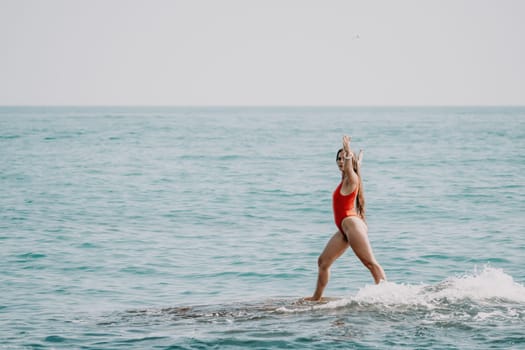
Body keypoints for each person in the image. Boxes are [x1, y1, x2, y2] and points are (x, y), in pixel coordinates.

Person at [305, 135, 386, 301]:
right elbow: (353, 169)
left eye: (344, 159)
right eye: (339, 159)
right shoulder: (346, 179)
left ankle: (387, 294)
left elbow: (351, 170)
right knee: (323, 262)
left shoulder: (351, 178)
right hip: (344, 229)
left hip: (352, 225)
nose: (341, 162)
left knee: (370, 263)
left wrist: (349, 151)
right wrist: (357, 160)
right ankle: (316, 298)